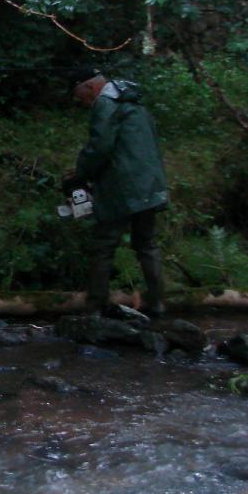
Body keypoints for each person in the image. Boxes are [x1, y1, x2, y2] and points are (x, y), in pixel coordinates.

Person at [64, 66, 169, 316]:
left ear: (90, 86)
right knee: (147, 244)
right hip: (151, 184)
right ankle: (158, 302)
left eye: (82, 96)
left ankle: (95, 305)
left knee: (104, 244)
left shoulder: (106, 103)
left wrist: (79, 174)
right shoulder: (134, 101)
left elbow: (100, 146)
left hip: (122, 187)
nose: (84, 103)